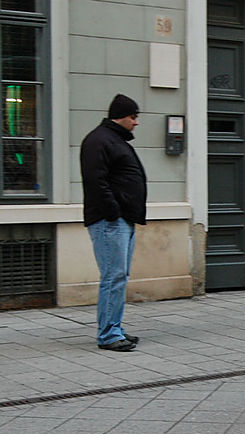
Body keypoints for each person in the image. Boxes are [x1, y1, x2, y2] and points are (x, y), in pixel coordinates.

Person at [80, 93, 147, 352]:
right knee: (113, 276)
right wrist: (112, 211)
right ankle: (108, 334)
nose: (136, 122)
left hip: (122, 220)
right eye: (133, 116)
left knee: (119, 276)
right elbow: (96, 181)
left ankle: (114, 327)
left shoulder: (113, 140)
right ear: (120, 116)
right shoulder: (99, 140)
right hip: (110, 221)